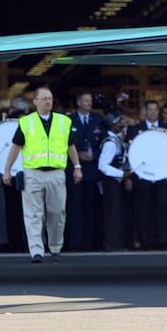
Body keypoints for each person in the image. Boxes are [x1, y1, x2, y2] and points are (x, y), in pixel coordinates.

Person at [1, 86, 82, 263]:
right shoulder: (26, 122)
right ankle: (36, 250)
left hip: (56, 172)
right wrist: (7, 170)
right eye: (44, 99)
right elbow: (16, 147)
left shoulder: (64, 121)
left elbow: (70, 145)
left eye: (50, 99)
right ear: (35, 101)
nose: (48, 102)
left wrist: (77, 166)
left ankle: (55, 247)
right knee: (33, 214)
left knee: (57, 212)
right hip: (33, 172)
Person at [127, 100, 167, 250]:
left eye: (155, 110)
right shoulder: (135, 129)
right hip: (143, 177)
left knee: (163, 208)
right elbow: (130, 153)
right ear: (145, 112)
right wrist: (129, 176)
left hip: (163, 176)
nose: (153, 112)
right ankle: (147, 241)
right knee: (144, 211)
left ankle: (164, 241)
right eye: (150, 110)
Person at [65, 92, 103, 251]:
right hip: (74, 169)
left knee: (90, 207)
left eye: (90, 100)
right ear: (78, 102)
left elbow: (104, 143)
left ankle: (88, 241)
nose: (89, 103)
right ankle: (74, 241)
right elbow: (62, 144)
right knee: (74, 207)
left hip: (92, 170)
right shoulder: (68, 121)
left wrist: (96, 155)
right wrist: (77, 155)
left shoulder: (98, 120)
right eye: (86, 100)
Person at [98, 111, 130, 252]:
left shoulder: (116, 139)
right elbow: (103, 165)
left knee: (117, 211)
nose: (120, 125)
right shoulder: (110, 143)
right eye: (117, 123)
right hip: (111, 182)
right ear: (112, 126)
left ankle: (116, 242)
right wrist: (122, 173)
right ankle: (111, 243)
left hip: (116, 181)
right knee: (113, 212)